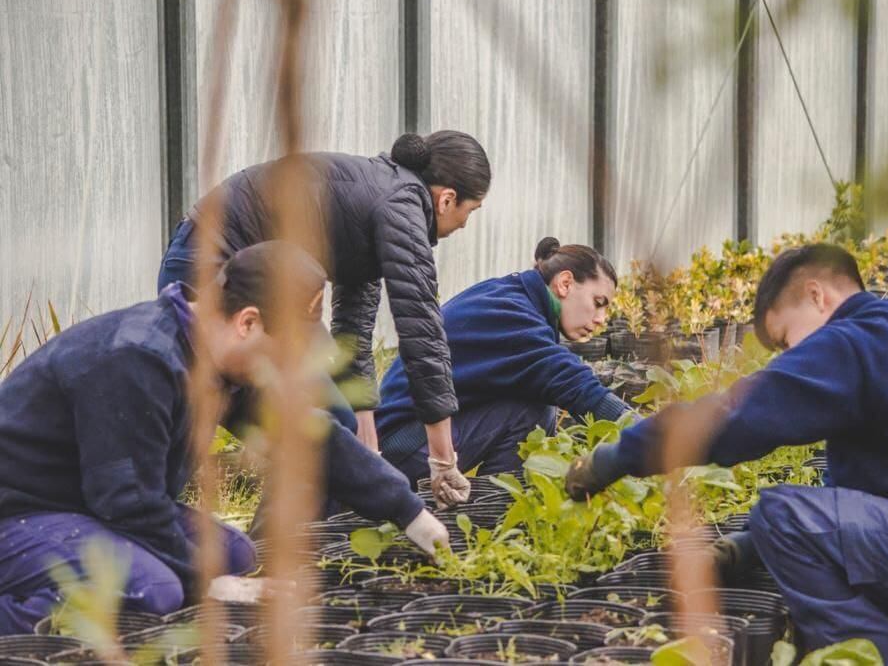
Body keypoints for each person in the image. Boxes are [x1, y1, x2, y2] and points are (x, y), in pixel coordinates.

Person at [564, 243, 888, 665]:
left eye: (785, 340)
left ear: (816, 295)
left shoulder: (855, 341)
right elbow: (859, 503)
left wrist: (616, 457)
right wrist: (742, 549)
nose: (788, 356)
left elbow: (734, 416)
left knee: (782, 515)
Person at [0, 242, 447, 635]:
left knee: (234, 554)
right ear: (248, 323)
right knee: (154, 588)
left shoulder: (220, 366)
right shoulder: (137, 360)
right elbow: (127, 500)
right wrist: (205, 585)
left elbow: (305, 436)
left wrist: (410, 513)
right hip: (23, 511)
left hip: (86, 506)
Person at [158, 132, 492, 507]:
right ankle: (274, 547)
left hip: (212, 262)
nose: (464, 225)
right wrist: (443, 459)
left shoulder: (379, 197)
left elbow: (354, 334)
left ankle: (273, 543)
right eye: (471, 211)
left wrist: (370, 449)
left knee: (329, 423)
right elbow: (422, 332)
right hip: (213, 269)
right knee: (314, 424)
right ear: (447, 199)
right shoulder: (402, 207)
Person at [376, 237, 633, 483]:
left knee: (532, 400)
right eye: (598, 303)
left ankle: (485, 507)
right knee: (532, 411)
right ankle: (493, 515)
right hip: (401, 446)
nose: (601, 318)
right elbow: (572, 382)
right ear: (565, 283)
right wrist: (647, 435)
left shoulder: (513, 296)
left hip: (406, 438)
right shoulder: (512, 314)